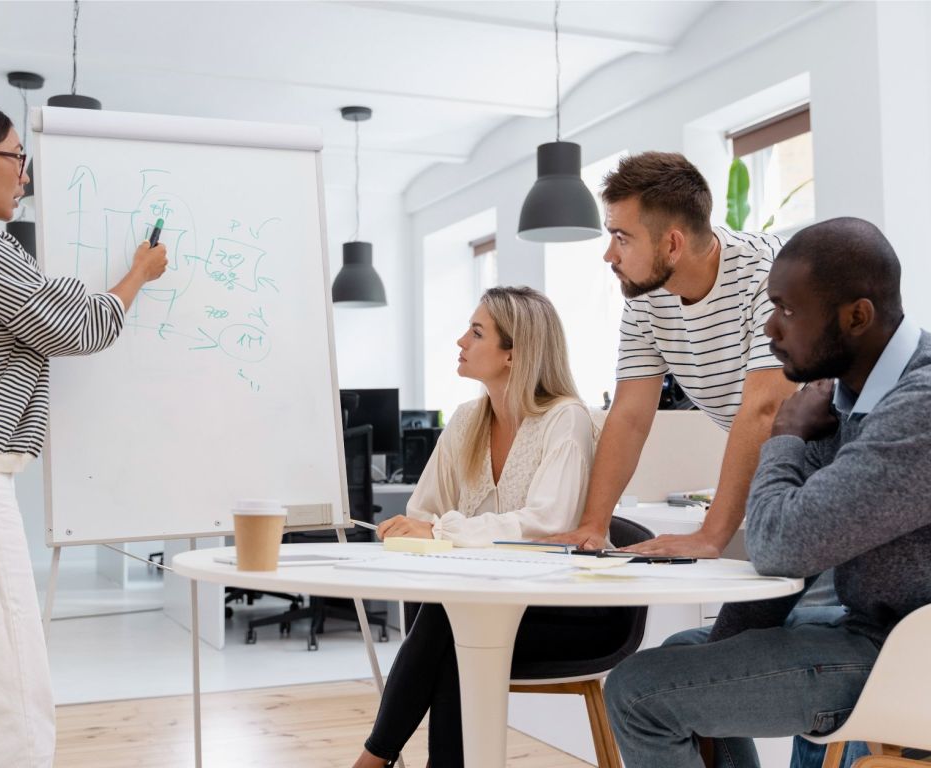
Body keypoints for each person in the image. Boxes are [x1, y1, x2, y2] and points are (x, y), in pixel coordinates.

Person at [602, 217, 931, 768]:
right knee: (683, 654)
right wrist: (722, 648)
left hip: (908, 659)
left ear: (857, 316)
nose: (771, 330)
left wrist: (784, 435)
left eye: (787, 311)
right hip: (872, 634)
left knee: (640, 693)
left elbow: (781, 546)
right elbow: (791, 546)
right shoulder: (845, 399)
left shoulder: (918, 405)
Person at [0, 96, 168, 768]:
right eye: (16, 157)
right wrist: (138, 274)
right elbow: (78, 325)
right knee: (4, 699)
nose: (24, 174)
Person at [353, 286, 600, 767]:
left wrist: (441, 532)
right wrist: (416, 529)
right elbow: (424, 510)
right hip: (483, 606)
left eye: (477, 332)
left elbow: (548, 523)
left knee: (455, 621)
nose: (461, 341)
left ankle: (371, 760)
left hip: (561, 611)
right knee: (459, 623)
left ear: (513, 353)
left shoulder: (564, 419)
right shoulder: (467, 420)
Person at [547, 151, 797, 558]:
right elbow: (629, 416)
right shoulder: (647, 295)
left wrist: (710, 536)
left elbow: (765, 410)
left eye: (622, 238)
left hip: (850, 455)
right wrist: (593, 526)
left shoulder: (770, 275)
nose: (609, 254)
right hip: (785, 467)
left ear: (673, 244)